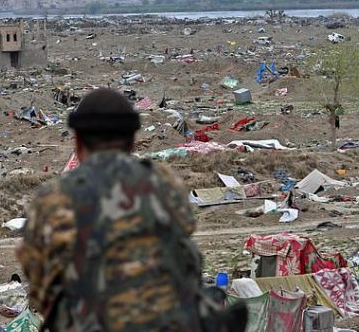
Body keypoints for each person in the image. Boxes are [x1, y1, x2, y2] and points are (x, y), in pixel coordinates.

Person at [18, 88, 245, 332]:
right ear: (132, 141)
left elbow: (39, 284)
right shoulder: (162, 184)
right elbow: (185, 251)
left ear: (77, 141)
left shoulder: (52, 199)